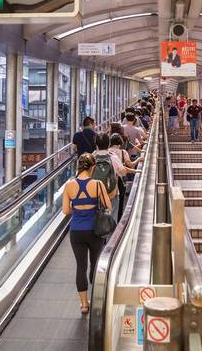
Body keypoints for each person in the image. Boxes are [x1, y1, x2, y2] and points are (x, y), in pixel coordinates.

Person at [62, 153, 111, 314]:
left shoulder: (69, 185)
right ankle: (96, 298)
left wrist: (78, 207)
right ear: (93, 167)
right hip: (94, 230)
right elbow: (108, 205)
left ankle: (84, 304)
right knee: (95, 264)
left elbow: (65, 210)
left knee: (80, 266)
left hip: (76, 231)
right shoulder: (97, 184)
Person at [93, 134, 124, 220]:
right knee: (112, 216)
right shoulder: (113, 157)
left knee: (96, 216)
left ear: (96, 144)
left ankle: (99, 231)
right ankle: (111, 232)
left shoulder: (92, 157)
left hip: (95, 193)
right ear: (109, 143)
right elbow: (123, 172)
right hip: (111, 192)